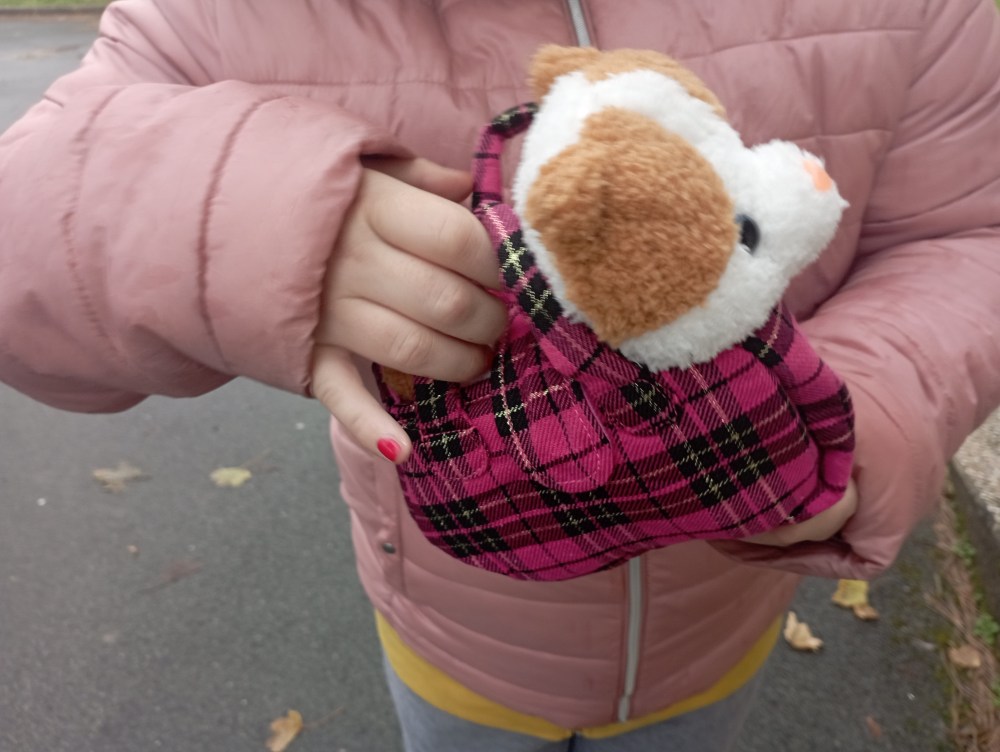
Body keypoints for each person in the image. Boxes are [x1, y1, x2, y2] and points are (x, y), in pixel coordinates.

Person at [1, 1, 998, 749]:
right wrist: (235, 214)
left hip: (722, 618)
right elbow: (31, 218)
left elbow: (968, 232)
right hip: (455, 630)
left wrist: (861, 418)